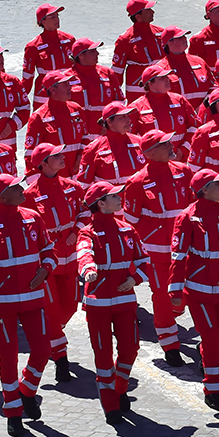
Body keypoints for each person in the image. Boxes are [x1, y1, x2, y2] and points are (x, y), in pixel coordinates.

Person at [0, 173, 56, 437]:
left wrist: (45, 270)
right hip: (2, 305)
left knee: (43, 349)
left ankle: (26, 389)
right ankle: (13, 411)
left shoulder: (33, 217)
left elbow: (49, 251)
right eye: (16, 188)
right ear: (2, 196)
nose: (22, 190)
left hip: (32, 299)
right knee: (7, 357)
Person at [168, 169, 219, 410]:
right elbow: (178, 256)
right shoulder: (187, 217)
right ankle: (213, 390)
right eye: (217, 184)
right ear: (204, 190)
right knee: (212, 338)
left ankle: (205, 354)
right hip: (198, 289)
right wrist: (175, 291)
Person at [76, 180, 150, 424]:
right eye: (114, 196)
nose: (120, 198)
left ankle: (119, 387)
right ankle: (110, 404)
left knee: (130, 348)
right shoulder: (88, 232)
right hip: (98, 303)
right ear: (101, 203)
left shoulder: (127, 229)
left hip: (124, 300)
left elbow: (144, 260)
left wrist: (134, 279)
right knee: (103, 354)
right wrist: (88, 270)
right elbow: (83, 253)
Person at [123, 129, 196, 364]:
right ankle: (169, 343)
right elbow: (130, 222)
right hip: (155, 251)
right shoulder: (136, 182)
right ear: (150, 153)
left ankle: (172, 316)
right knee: (162, 295)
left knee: (184, 294)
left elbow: (193, 206)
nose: (171, 146)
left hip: (184, 247)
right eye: (165, 144)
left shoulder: (184, 171)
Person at [24, 143, 86, 381]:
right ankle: (61, 359)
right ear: (43, 164)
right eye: (56, 156)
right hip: (47, 263)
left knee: (70, 307)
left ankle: (50, 335)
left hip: (70, 258)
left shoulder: (73, 187)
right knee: (51, 311)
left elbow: (85, 213)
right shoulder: (30, 195)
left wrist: (76, 231)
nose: (62, 158)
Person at [25, 70, 88, 174]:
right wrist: (36, 179)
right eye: (65, 84)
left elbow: (85, 138)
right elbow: (30, 153)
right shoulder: (38, 117)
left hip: (77, 173)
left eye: (69, 83)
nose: (69, 87)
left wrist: (80, 156)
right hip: (55, 177)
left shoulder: (77, 110)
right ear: (53, 90)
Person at [133, 65, 198, 154]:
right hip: (153, 158)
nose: (168, 80)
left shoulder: (180, 101)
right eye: (162, 78)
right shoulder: (136, 107)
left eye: (167, 76)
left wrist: (183, 150)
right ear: (150, 84)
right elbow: (131, 138)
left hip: (181, 157)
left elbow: (195, 126)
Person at [21, 4, 75, 107]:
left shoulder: (69, 40)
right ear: (43, 21)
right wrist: (19, 101)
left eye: (57, 16)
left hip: (68, 92)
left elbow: (78, 69)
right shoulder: (33, 46)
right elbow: (27, 78)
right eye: (52, 17)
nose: (57, 19)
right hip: (44, 95)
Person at [111, 0, 164, 102]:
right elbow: (117, 73)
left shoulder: (161, 32)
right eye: (148, 10)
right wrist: (115, 99)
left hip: (161, 85)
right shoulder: (125, 40)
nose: (153, 12)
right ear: (138, 16)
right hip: (137, 91)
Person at [80, 101, 144, 187]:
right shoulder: (93, 149)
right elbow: (84, 185)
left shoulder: (140, 142)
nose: (129, 120)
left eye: (128, 116)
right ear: (109, 122)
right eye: (122, 117)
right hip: (110, 195)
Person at [67, 37, 122, 131]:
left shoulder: (108, 73)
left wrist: (111, 125)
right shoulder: (66, 78)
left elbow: (119, 102)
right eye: (92, 51)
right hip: (78, 132)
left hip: (104, 131)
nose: (97, 53)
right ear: (81, 55)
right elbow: (63, 109)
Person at [152, 27, 213, 107]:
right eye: (180, 37)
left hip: (203, 111)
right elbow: (158, 96)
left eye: (184, 36)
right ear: (169, 43)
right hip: (177, 112)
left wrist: (203, 107)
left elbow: (213, 86)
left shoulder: (199, 62)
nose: (184, 39)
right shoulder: (161, 68)